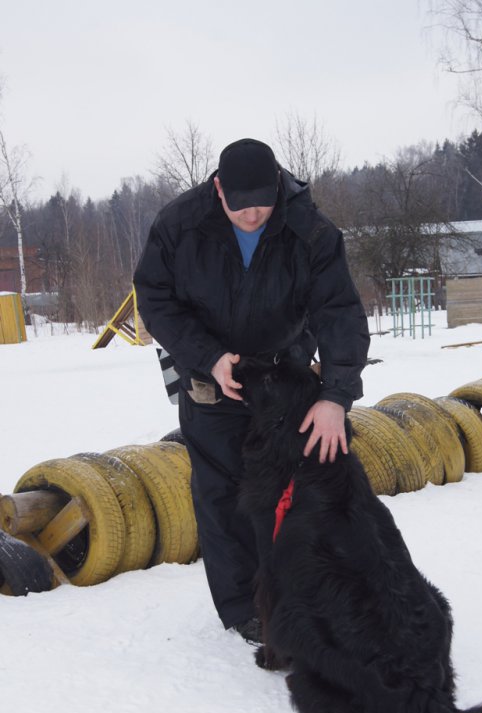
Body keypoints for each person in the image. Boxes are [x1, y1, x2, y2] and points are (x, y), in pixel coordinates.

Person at [133, 138, 370, 643]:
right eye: (240, 204)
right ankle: (245, 608)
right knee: (221, 497)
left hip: (284, 383)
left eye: (262, 203)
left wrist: (335, 396)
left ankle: (310, 594)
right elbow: (155, 298)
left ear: (278, 187)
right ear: (218, 189)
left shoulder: (311, 230)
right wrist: (208, 357)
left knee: (300, 493)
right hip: (211, 380)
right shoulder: (180, 225)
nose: (252, 214)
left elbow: (339, 313)